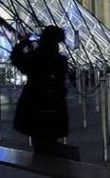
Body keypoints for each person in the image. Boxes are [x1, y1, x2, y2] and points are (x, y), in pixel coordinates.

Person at [11, 26, 72, 158]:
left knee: (38, 138)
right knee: (52, 137)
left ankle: (41, 161)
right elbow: (64, 78)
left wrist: (23, 43)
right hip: (55, 101)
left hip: (34, 100)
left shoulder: (34, 57)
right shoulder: (60, 60)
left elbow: (16, 59)